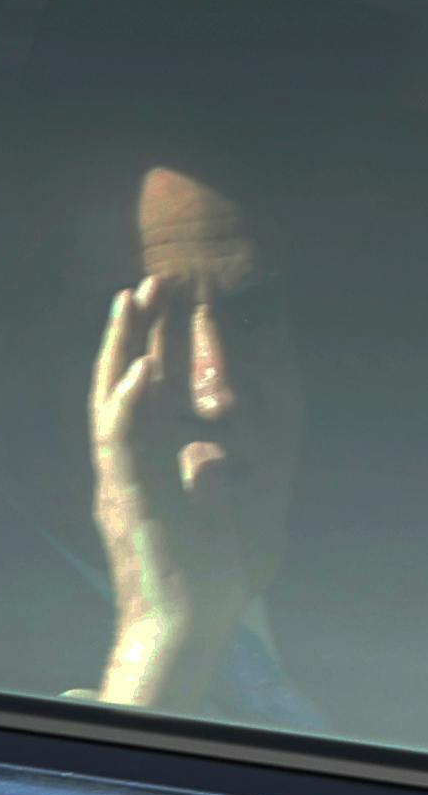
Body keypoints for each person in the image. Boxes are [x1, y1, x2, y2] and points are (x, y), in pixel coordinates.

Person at [78, 164, 317, 722]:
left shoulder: (402, 600)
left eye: (252, 316)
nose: (218, 393)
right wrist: (161, 643)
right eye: (151, 325)